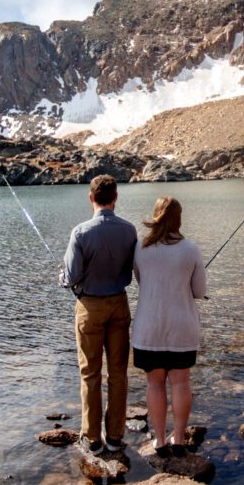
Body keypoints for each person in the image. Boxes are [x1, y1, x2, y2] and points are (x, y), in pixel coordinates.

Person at [60, 174, 138, 455]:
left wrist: (62, 277)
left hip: (89, 308)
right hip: (119, 304)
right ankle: (115, 436)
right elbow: (133, 266)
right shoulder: (129, 231)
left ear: (91, 198)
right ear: (115, 198)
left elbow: (70, 277)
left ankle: (92, 438)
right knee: (118, 372)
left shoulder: (80, 232)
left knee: (90, 373)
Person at [131, 196, 207, 455]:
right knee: (181, 382)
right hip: (182, 326)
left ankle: (160, 441)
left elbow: (142, 282)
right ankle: (179, 440)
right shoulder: (192, 249)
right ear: (179, 217)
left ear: (156, 215)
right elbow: (198, 292)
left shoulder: (140, 248)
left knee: (154, 384)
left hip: (148, 327)